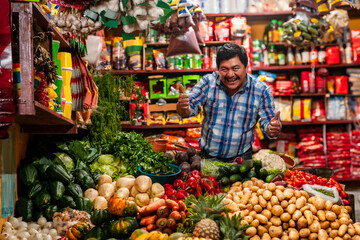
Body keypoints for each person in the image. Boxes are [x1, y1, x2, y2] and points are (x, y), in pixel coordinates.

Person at [176, 43, 281, 162]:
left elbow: (269, 125)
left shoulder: (261, 90)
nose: (230, 75)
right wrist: (183, 107)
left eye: (235, 68)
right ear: (218, 69)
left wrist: (272, 128)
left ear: (246, 67)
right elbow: (188, 110)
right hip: (208, 157)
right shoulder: (208, 82)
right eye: (224, 69)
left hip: (241, 160)